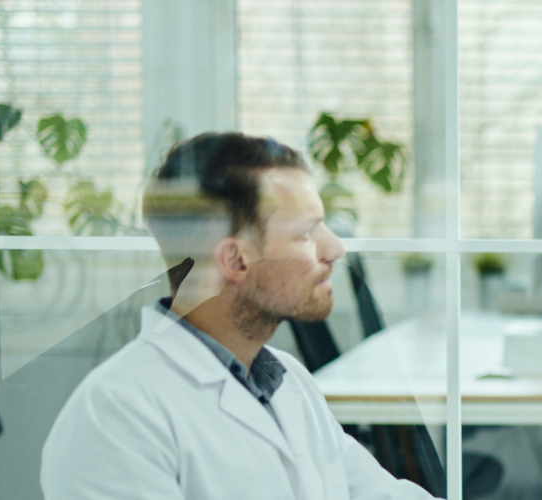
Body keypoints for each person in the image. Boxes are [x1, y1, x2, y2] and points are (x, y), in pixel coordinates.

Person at [39, 132, 436, 499]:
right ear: (236, 260)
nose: (333, 249)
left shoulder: (287, 381)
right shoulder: (117, 415)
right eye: (306, 232)